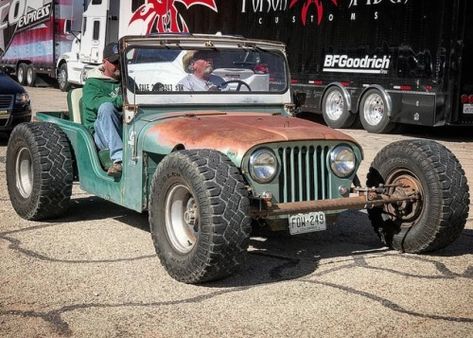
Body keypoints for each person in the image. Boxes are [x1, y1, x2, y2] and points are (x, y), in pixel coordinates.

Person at [82, 42, 124, 177]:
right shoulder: (92, 83)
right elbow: (94, 103)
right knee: (106, 107)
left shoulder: (127, 80)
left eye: (122, 61)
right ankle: (119, 160)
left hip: (124, 127)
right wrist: (120, 101)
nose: (119, 65)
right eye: (115, 62)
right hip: (99, 134)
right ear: (104, 62)